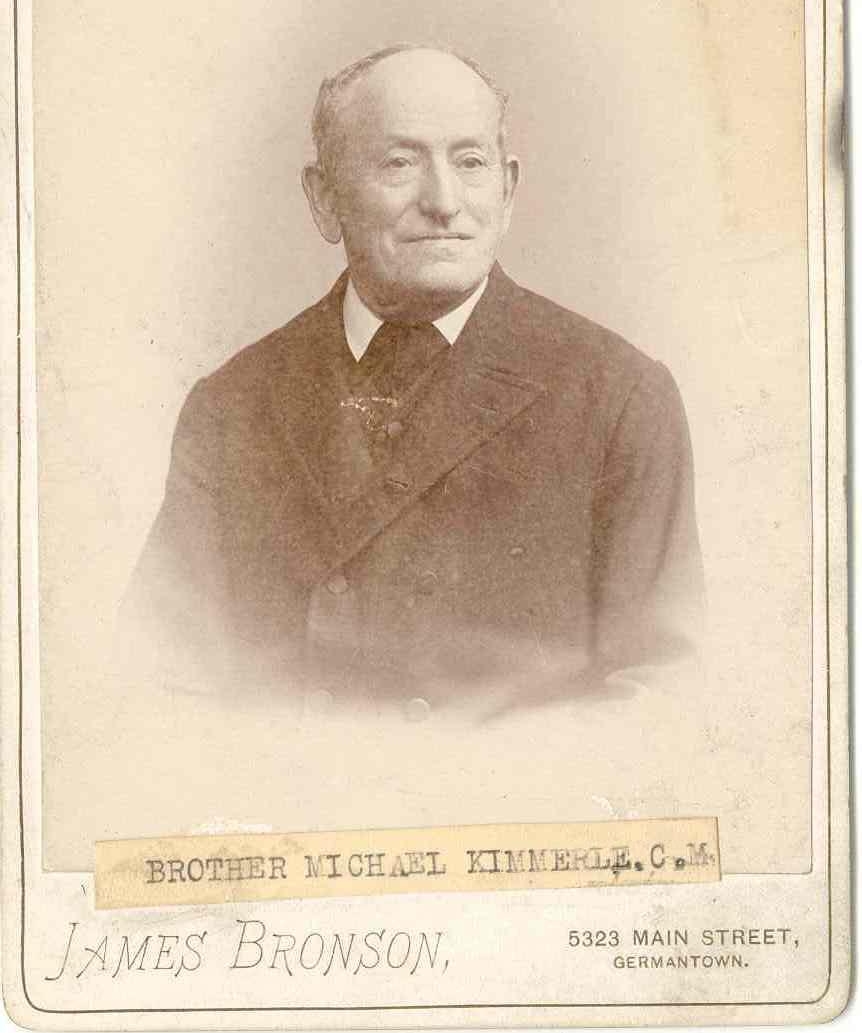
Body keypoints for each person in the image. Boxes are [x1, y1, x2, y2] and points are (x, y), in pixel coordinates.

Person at [125, 44, 703, 717]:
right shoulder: (231, 406)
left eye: (470, 162)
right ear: (324, 198)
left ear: (508, 190)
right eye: (400, 163)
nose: (444, 202)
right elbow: (161, 685)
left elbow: (661, 698)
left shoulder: (619, 397)